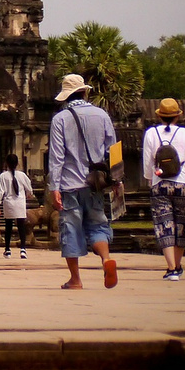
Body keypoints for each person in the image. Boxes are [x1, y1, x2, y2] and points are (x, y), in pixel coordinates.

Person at [48, 73, 119, 290]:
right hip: (95, 184)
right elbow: (113, 149)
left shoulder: (60, 119)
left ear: (66, 96)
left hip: (69, 185)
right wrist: (116, 180)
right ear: (85, 91)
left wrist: (54, 187)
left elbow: (57, 157)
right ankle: (106, 260)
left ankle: (76, 279)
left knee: (71, 229)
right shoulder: (101, 115)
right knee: (98, 224)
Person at [142, 98, 185, 281]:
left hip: (160, 184)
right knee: (181, 224)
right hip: (183, 183)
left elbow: (147, 162)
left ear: (159, 115)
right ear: (177, 116)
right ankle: (178, 264)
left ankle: (171, 268)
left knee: (164, 224)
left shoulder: (151, 133)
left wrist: (150, 180)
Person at [0, 154, 33, 258]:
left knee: (8, 226)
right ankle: (23, 249)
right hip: (20, 202)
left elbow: (1, 191)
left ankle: (7, 249)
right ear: (17, 163)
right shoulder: (22, 175)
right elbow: (29, 187)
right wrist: (29, 194)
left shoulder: (3, 176)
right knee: (21, 226)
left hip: (9, 203)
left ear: (6, 163)